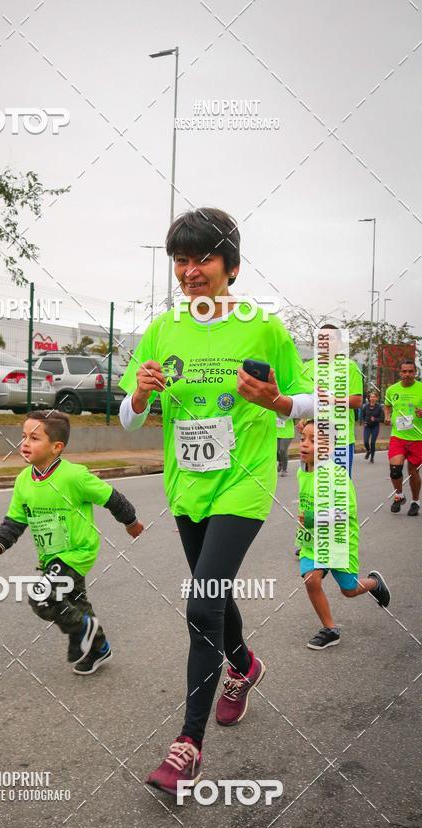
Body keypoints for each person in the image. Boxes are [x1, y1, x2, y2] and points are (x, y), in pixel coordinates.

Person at [119, 207, 314, 796]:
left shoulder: (263, 328)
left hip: (244, 481)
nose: (189, 271)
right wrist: (139, 394)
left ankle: (187, 747)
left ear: (230, 263)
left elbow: (312, 399)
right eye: (180, 260)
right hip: (187, 486)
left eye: (202, 258)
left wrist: (278, 403)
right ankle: (245, 666)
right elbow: (128, 421)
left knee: (201, 603)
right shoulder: (161, 330)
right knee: (216, 592)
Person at [0, 410, 144, 674]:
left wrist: (130, 522)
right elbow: (16, 519)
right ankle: (99, 648)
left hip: (77, 551)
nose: (25, 443)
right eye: (23, 437)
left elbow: (111, 497)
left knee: (40, 597)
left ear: (56, 447)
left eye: (34, 438)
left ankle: (83, 629)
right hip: (51, 555)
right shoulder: (23, 481)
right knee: (77, 602)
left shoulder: (73, 476)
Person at [296, 420, 390, 649]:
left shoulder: (336, 476)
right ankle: (330, 629)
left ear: (328, 449)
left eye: (313, 440)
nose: (305, 444)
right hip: (313, 541)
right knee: (311, 579)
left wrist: (311, 518)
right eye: (302, 439)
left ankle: (374, 583)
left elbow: (342, 513)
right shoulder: (302, 470)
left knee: (349, 589)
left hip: (339, 541)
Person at [301, 330, 363, 477]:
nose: (325, 342)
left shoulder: (349, 366)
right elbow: (304, 399)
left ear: (339, 343)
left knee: (338, 486)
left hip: (340, 440)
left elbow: (357, 401)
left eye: (330, 338)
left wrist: (332, 400)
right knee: (311, 483)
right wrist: (302, 419)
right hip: (313, 440)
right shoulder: (307, 368)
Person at [384, 359, 422, 516]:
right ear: (400, 373)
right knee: (395, 470)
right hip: (398, 436)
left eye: (410, 371)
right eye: (404, 371)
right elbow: (387, 405)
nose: (407, 374)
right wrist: (387, 415)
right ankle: (399, 495)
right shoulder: (392, 390)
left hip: (417, 438)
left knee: (413, 472)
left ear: (415, 373)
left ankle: (415, 501)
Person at [361, 391, 383, 462]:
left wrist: (375, 419)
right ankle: (368, 451)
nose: (372, 398)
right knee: (366, 442)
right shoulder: (365, 407)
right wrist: (364, 422)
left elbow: (382, 418)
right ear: (369, 398)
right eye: (371, 397)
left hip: (375, 427)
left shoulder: (379, 408)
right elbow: (362, 416)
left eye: (374, 397)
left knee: (372, 443)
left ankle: (372, 458)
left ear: (376, 398)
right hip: (367, 426)